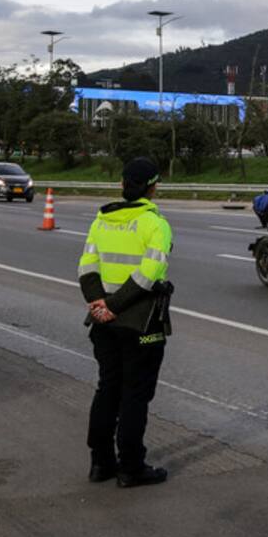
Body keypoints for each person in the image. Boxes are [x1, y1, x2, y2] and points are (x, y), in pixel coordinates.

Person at [78, 156, 173, 488]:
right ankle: (131, 467)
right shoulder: (155, 224)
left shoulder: (102, 220)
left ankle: (100, 463)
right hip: (140, 322)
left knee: (107, 389)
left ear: (122, 184)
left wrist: (99, 305)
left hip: (102, 322)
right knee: (135, 395)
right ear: (153, 187)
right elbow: (149, 274)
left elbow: (86, 268)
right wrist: (115, 306)